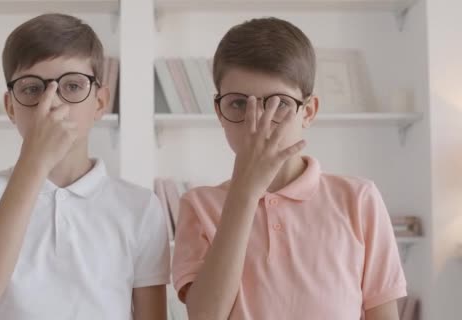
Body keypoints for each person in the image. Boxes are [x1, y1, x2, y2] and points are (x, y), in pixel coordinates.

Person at [172, 17, 406, 320]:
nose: (258, 123)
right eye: (239, 105)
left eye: (279, 104)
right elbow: (205, 316)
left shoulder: (359, 199)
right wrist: (244, 194)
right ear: (219, 111)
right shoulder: (198, 205)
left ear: (307, 112)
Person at [0, 13, 170, 320]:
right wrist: (34, 161)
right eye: (31, 89)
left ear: (99, 102)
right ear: (10, 106)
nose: (52, 103)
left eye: (72, 86)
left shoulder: (139, 206)